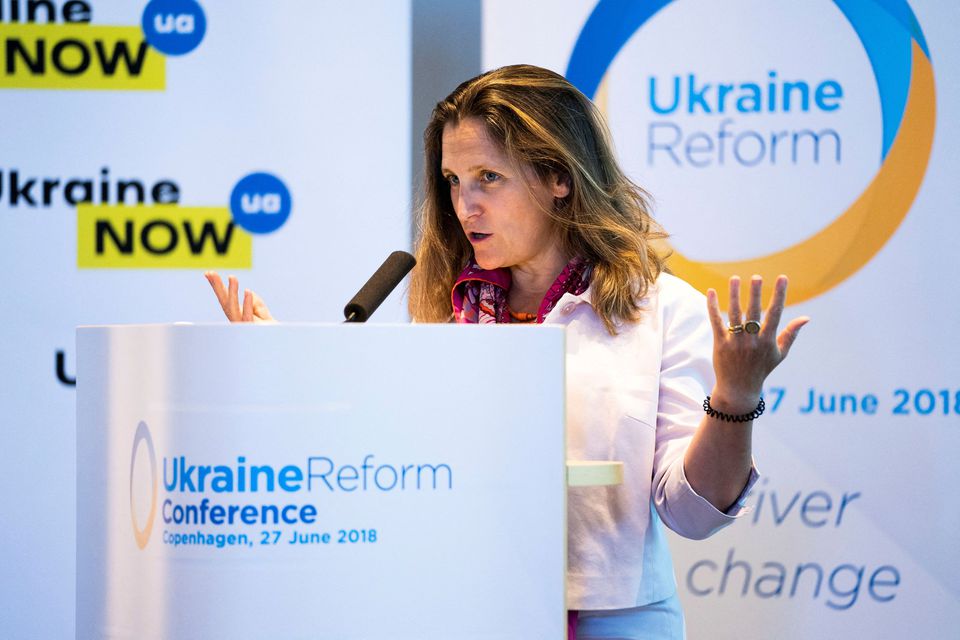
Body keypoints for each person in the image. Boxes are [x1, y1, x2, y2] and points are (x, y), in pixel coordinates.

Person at [206, 64, 807, 639]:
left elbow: (694, 515)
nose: (465, 204)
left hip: (614, 620)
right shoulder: (446, 310)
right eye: (453, 181)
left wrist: (734, 396)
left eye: (488, 177)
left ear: (559, 176)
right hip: (460, 606)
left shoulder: (661, 311)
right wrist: (283, 365)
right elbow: (387, 466)